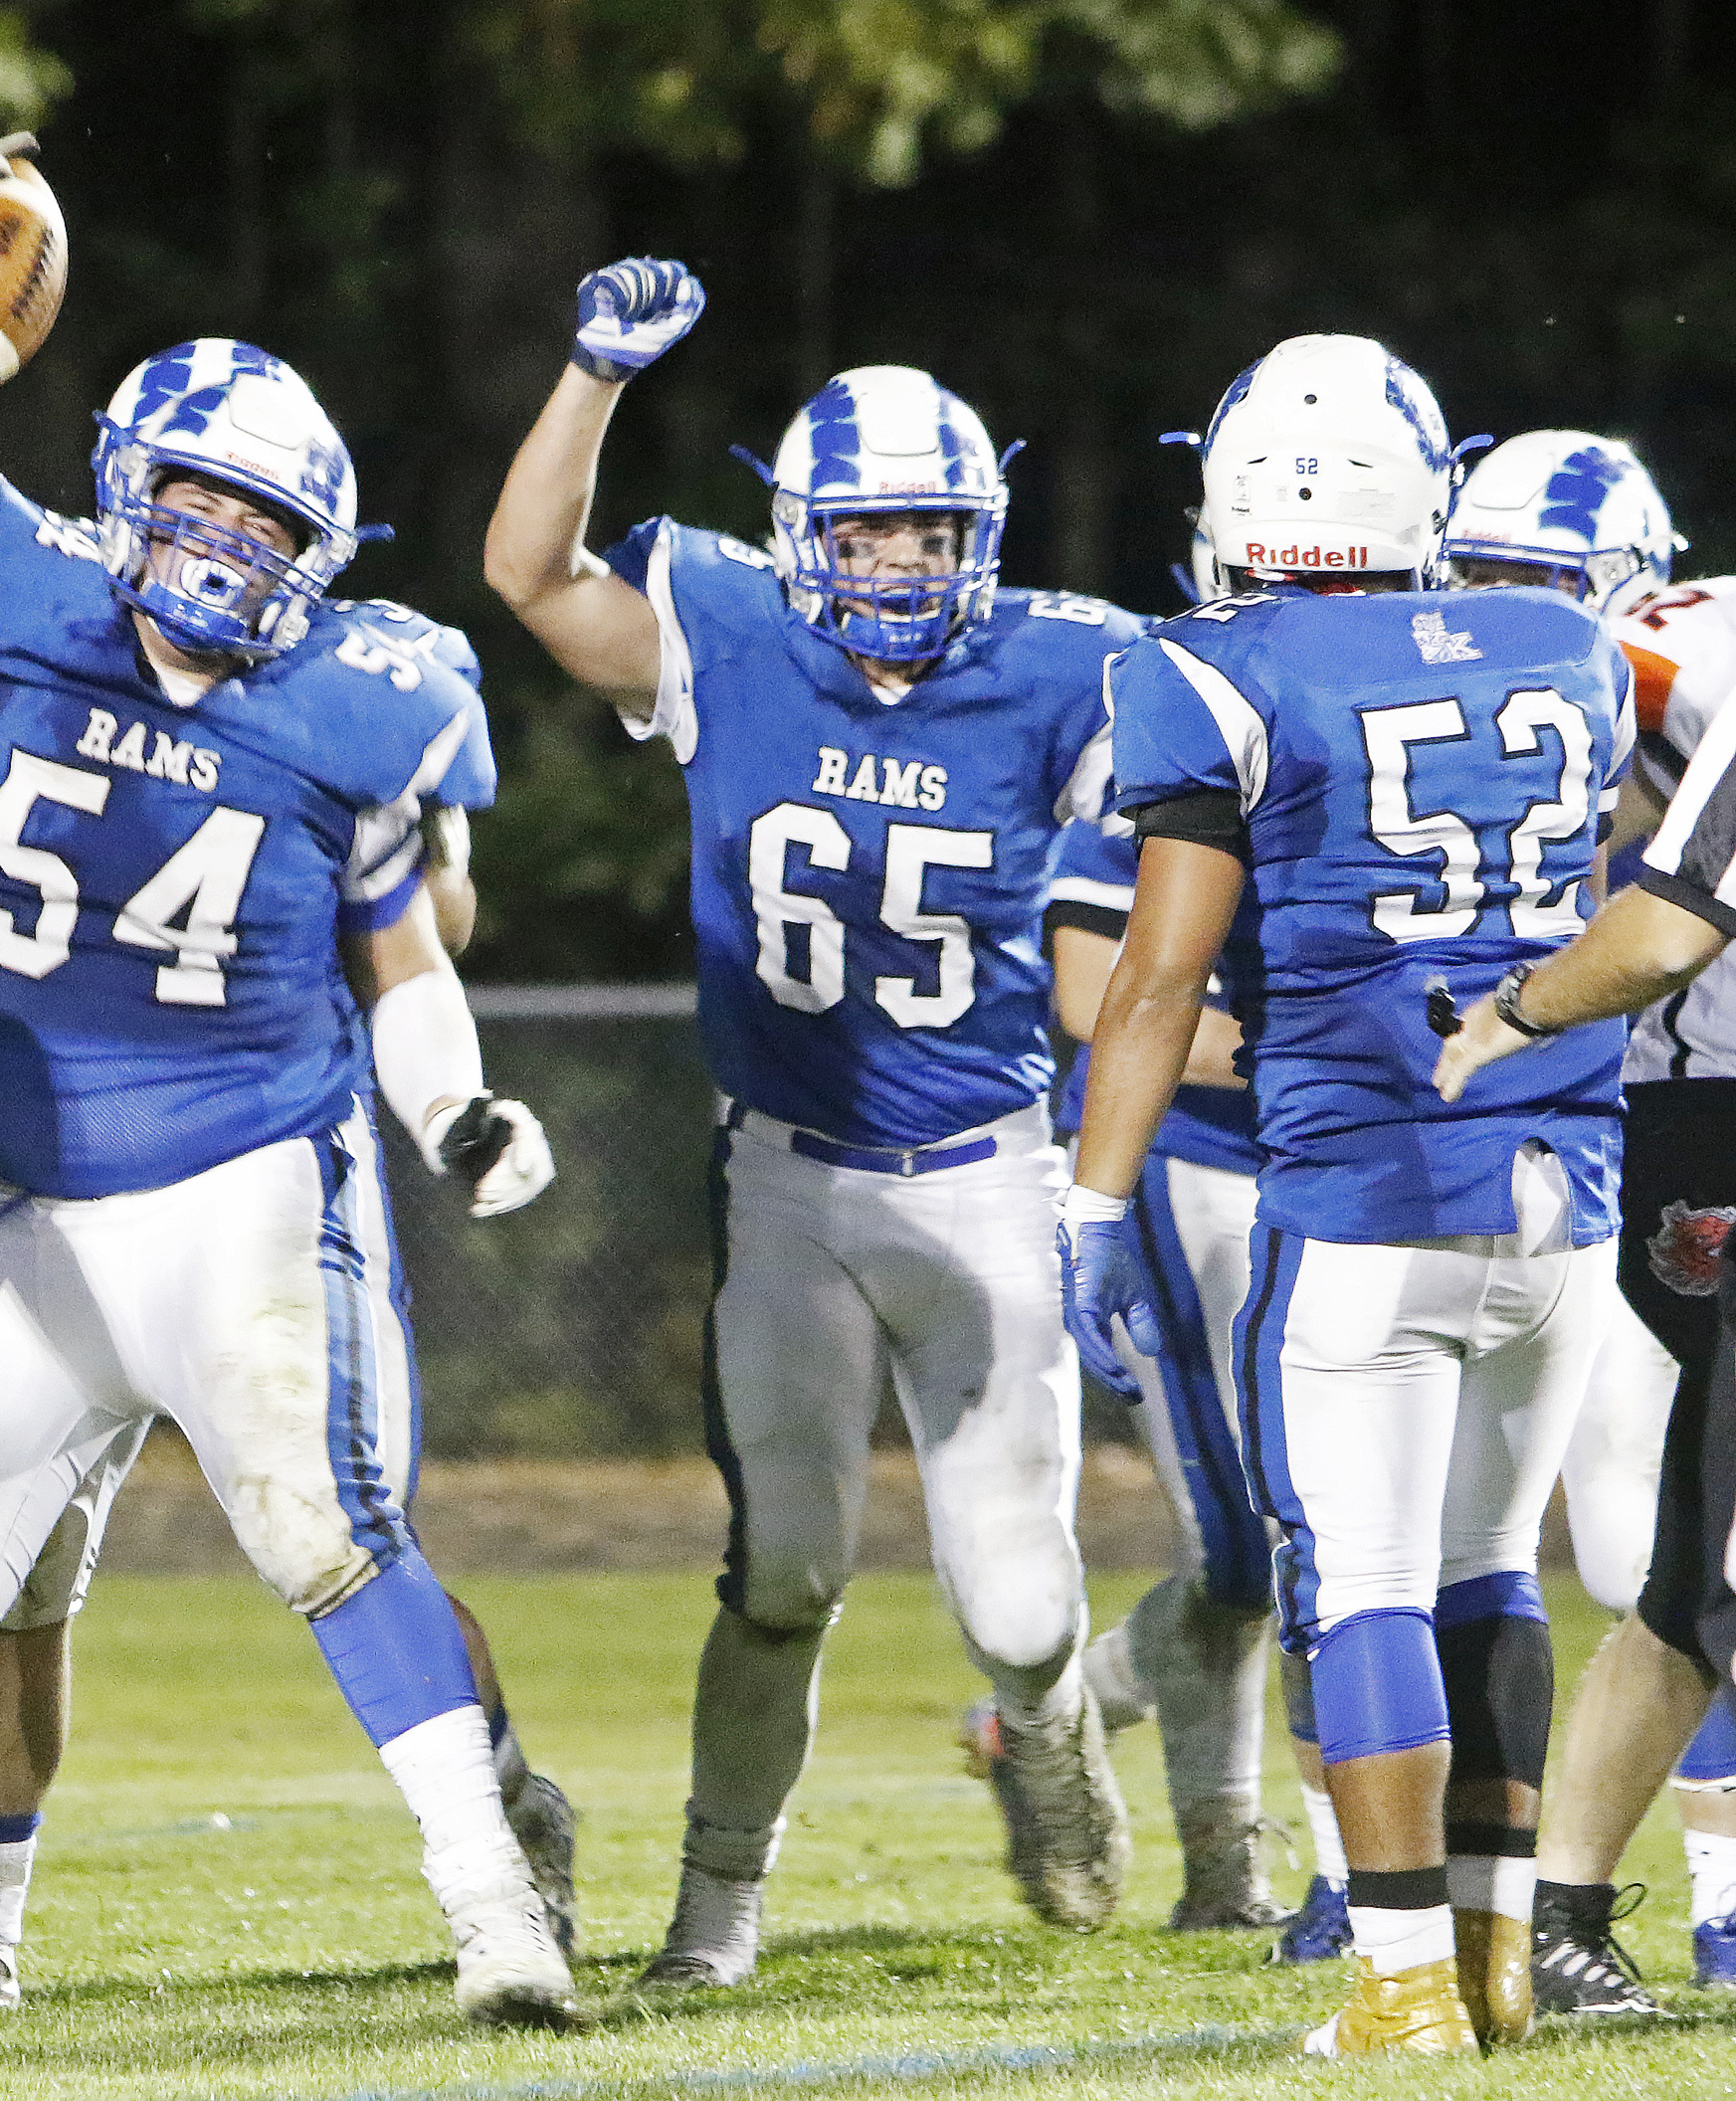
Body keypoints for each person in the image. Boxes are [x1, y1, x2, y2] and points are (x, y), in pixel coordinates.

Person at [0, 136, 571, 2027]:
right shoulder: (3, 584)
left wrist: (451, 1112)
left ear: (320, 560)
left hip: (245, 1179)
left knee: (314, 1514)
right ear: (124, 495)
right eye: (197, 506)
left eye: (268, 529)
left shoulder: (364, 697)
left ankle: (497, 1908)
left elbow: (408, 946)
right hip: (34, 1189)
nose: (224, 549)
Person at [483, 259, 1139, 1982]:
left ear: (977, 532)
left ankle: (1053, 1730)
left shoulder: (1075, 667)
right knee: (783, 1572)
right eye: (864, 535)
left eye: (929, 532)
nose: (900, 565)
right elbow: (526, 573)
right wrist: (592, 379)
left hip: (994, 1167)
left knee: (1017, 1603)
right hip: (788, 1179)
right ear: (798, 537)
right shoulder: (726, 622)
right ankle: (716, 1918)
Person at [1069, 334, 1634, 2058]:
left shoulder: (1209, 668)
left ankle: (1398, 1981)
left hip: (1367, 1182)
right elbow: (1597, 907)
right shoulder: (1568, 640)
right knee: (1499, 1574)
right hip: (1564, 1186)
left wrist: (1094, 1204)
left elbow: (1154, 982)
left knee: (1366, 1579)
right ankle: (1499, 1954)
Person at [0, 845, 581, 2014]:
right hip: (69, 1167)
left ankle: (504, 1826)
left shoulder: (363, 680)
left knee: (340, 1536)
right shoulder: (54, 675)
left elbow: (442, 920)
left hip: (265, 1166)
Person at [1441, 431, 1736, 2011]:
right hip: (1707, 1117)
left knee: (1694, 1564)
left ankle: (1555, 1917)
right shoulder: (1657, 653)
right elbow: (1668, 921)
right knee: (1693, 1555)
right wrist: (1506, 1013)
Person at [1047, 799, 1287, 1934]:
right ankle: (1224, 1850)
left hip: (1340, 1163)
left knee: (1328, 1540)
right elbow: (1095, 994)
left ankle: (1059, 1717)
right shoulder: (1171, 763)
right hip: (1184, 1155)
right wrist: (1332, 1048)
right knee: (1243, 1554)